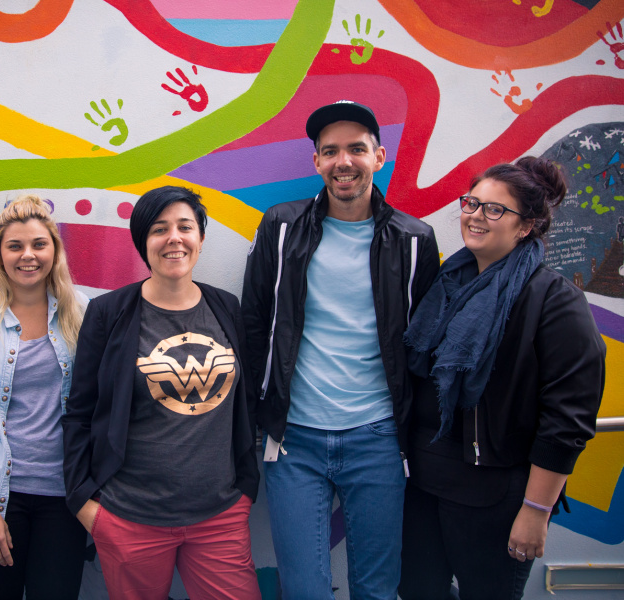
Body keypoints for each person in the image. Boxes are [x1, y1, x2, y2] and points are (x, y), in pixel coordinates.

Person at [241, 100, 440, 599]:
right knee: (304, 589)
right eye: (330, 151)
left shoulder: (415, 240)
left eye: (356, 149)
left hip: (378, 438)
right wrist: (260, 415)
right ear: (316, 162)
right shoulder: (281, 227)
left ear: (379, 156)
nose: (343, 161)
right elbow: (254, 322)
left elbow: (425, 346)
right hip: (294, 440)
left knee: (376, 588)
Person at [399, 157, 605, 599]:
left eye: (495, 209)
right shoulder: (443, 284)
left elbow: (567, 419)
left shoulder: (553, 300)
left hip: (494, 496)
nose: (475, 216)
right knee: (416, 591)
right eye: (472, 203)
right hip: (421, 484)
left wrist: (536, 510)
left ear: (526, 226)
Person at [62, 186, 261, 600]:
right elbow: (80, 412)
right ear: (143, 242)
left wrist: (245, 487)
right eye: (159, 229)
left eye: (185, 227)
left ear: (200, 238)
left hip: (220, 515)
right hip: (129, 517)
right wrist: (83, 501)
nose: (174, 238)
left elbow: (246, 401)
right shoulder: (108, 313)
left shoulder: (226, 307)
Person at [0, 195, 88, 600]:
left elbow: (94, 408)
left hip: (65, 497)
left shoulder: (81, 310)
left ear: (54, 251)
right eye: (15, 246)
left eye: (39, 244)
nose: (28, 255)